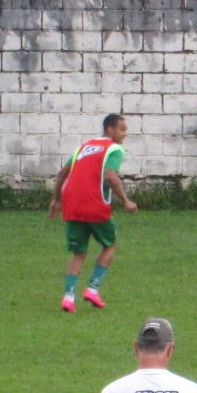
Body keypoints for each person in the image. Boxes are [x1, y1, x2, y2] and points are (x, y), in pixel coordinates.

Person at [50, 113, 138, 313]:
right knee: (110, 245)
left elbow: (63, 173)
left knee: (78, 253)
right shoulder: (114, 149)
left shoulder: (84, 146)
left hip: (72, 205)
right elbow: (110, 176)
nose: (125, 134)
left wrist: (56, 200)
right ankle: (92, 288)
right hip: (95, 204)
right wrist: (126, 201)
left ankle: (68, 298)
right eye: (122, 129)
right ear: (110, 129)